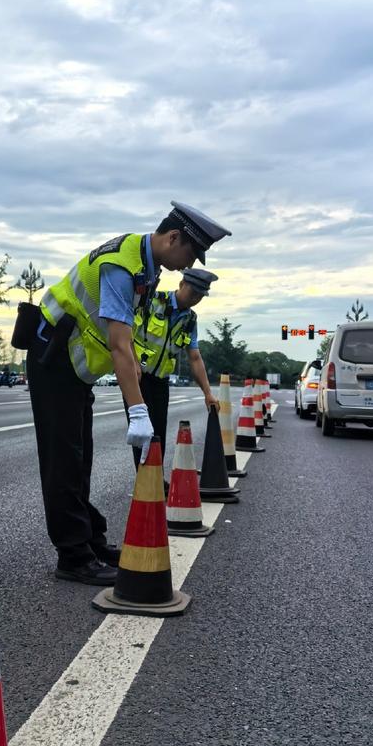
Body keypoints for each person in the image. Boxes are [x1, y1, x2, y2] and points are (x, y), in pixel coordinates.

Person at [25, 202, 231, 586]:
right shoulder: (122, 266)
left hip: (72, 366)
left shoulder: (145, 267)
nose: (188, 265)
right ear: (173, 238)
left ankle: (89, 540)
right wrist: (138, 410)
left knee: (79, 456)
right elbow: (119, 344)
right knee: (63, 459)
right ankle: (72, 556)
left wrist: (134, 361)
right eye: (190, 253)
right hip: (52, 360)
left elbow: (128, 340)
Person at [127, 268, 220, 486]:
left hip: (160, 380)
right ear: (181, 284)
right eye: (192, 292)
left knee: (158, 432)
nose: (195, 298)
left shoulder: (189, 320)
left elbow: (195, 358)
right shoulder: (152, 302)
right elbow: (126, 331)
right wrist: (131, 362)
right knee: (143, 432)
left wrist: (208, 393)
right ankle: (148, 482)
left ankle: (154, 480)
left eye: (200, 295)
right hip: (137, 376)